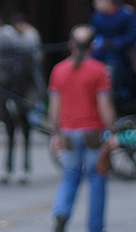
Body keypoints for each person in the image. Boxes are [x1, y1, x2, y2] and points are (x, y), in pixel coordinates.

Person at [48, 25, 117, 232]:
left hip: (68, 133)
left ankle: (61, 212)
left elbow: (54, 108)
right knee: (97, 180)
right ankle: (95, 227)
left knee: (70, 176)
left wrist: (55, 133)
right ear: (92, 47)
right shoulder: (99, 70)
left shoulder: (58, 70)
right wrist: (113, 130)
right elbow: (104, 106)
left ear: (70, 45)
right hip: (93, 133)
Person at [89, 0, 136, 110]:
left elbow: (134, 35)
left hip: (122, 58)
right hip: (101, 56)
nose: (94, 3)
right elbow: (93, 37)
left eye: (98, 0)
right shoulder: (96, 17)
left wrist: (117, 43)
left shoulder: (126, 14)